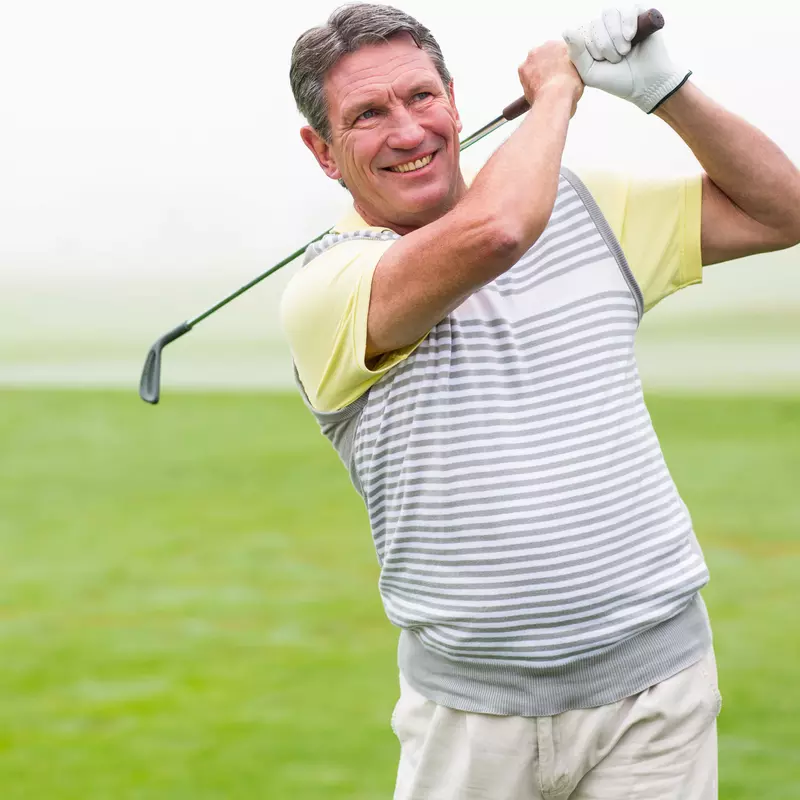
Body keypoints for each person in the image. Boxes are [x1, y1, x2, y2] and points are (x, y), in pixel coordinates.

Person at [280, 4, 800, 798]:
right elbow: (496, 234)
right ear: (323, 152)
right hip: (470, 719)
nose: (409, 130)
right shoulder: (330, 287)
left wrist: (668, 90)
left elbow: (782, 210)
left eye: (422, 97)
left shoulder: (591, 209)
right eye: (368, 115)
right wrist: (558, 89)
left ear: (455, 100)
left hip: (656, 693)